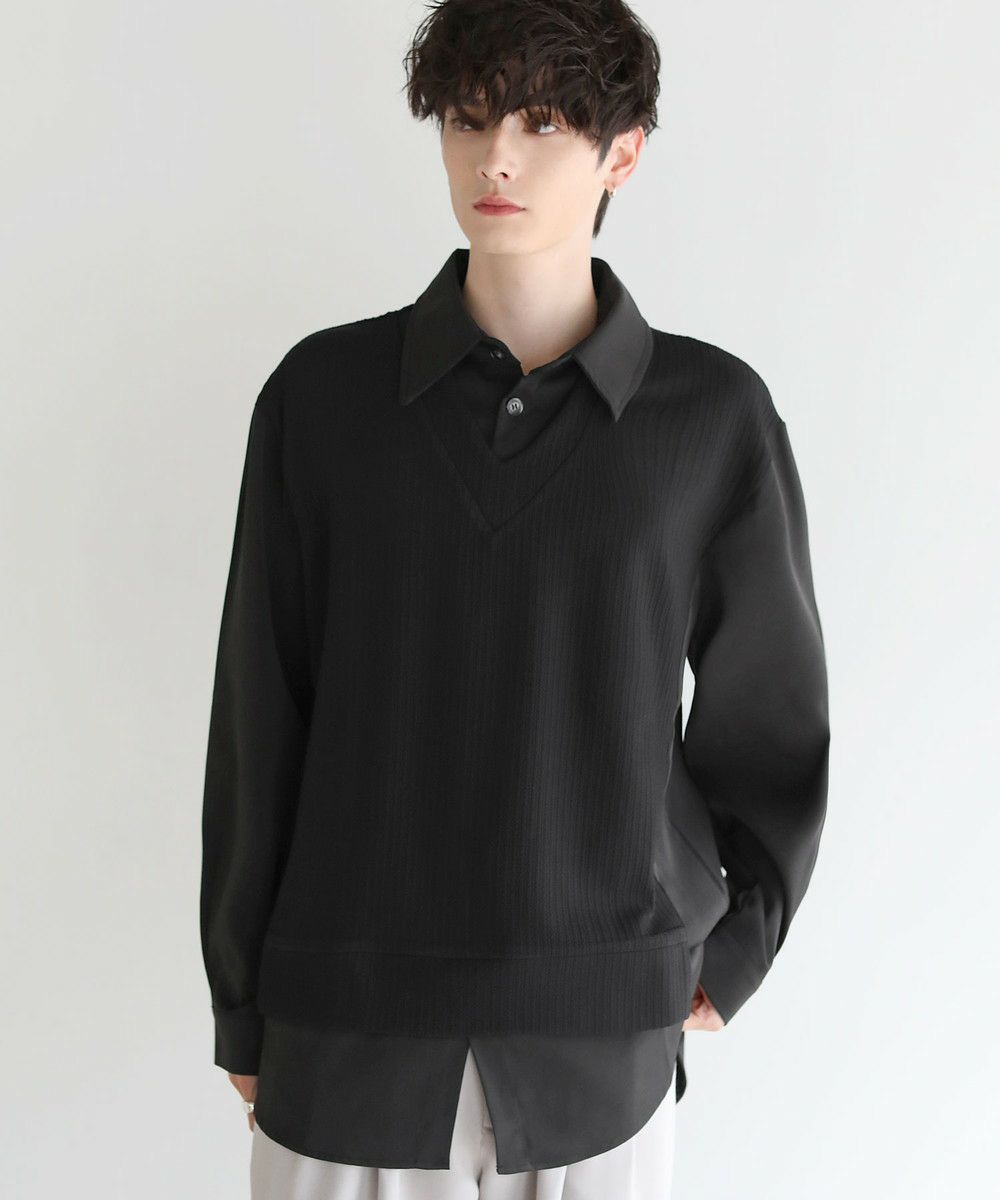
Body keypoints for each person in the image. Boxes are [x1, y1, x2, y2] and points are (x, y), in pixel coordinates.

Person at [199, 1, 831, 1196]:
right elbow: (259, 713)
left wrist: (734, 944)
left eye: (542, 123)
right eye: (468, 117)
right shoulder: (323, 400)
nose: (494, 157)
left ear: (621, 152)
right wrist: (241, 995)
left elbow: (772, 712)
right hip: (345, 1026)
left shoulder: (710, 420)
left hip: (603, 1036)